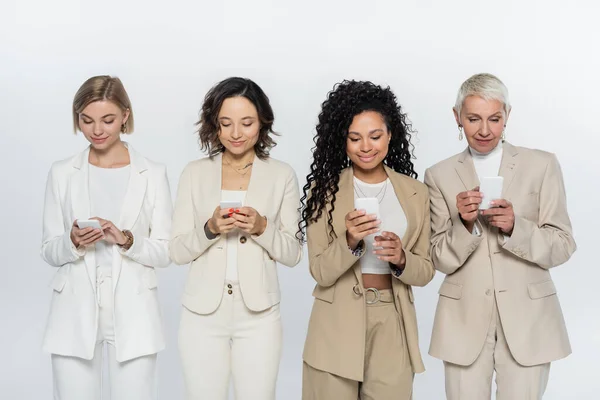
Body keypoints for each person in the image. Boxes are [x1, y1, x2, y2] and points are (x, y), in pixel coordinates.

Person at [425, 73, 577, 400]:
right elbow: (437, 257)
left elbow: (563, 244)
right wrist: (465, 225)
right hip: (463, 322)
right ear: (457, 118)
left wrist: (515, 227)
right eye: (473, 119)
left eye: (494, 119)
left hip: (529, 320)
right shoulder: (438, 175)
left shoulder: (542, 165)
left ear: (507, 114)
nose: (484, 130)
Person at [299, 80, 435, 400]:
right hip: (335, 322)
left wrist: (402, 258)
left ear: (390, 135)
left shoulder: (416, 193)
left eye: (375, 136)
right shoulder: (323, 191)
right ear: (342, 141)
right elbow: (320, 271)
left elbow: (426, 270)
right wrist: (350, 241)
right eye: (355, 138)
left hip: (393, 318)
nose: (366, 146)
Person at [170, 77, 302, 400]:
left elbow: (293, 253)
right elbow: (176, 250)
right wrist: (209, 229)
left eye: (247, 123)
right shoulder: (194, 173)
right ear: (214, 125)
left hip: (258, 315)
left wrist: (261, 227)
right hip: (202, 315)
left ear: (262, 123)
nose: (236, 133)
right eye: (226, 123)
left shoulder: (281, 174)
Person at [41, 75, 172, 400]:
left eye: (108, 120)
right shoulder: (61, 172)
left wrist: (127, 239)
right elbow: (48, 250)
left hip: (134, 311)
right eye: (87, 120)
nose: (97, 130)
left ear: (125, 116)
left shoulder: (152, 173)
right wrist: (72, 241)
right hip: (74, 313)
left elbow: (166, 251)